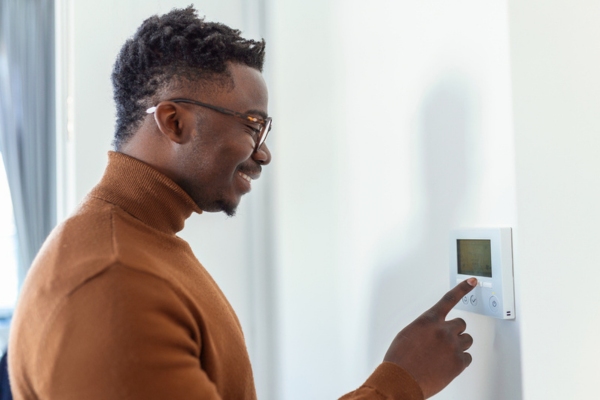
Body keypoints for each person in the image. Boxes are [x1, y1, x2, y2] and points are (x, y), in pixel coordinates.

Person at [8, 7, 476, 400]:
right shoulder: (114, 282)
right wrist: (398, 384)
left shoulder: (139, 244)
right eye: (253, 125)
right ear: (174, 122)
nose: (264, 152)